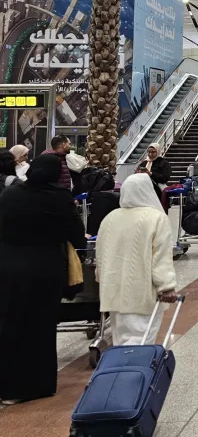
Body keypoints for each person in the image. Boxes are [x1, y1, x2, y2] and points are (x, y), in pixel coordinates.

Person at [0, 154, 87, 404]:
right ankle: (34, 385)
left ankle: (6, 386)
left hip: (7, 265)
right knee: (39, 326)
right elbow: (76, 235)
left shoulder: (10, 195)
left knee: (9, 322)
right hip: (43, 269)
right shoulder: (58, 197)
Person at [96, 174, 178, 346]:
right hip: (142, 292)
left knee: (120, 341)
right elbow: (160, 257)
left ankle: (121, 372)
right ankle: (134, 373)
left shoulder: (109, 219)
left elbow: (100, 255)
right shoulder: (156, 218)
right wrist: (167, 286)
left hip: (113, 291)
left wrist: (100, 279)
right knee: (140, 342)